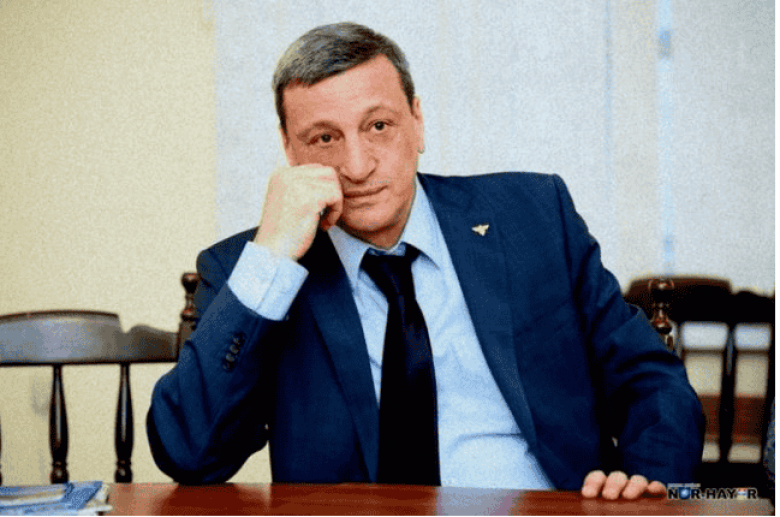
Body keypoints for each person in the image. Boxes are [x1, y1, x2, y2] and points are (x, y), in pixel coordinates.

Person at [147, 22, 704, 499]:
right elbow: (189, 453)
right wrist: (271, 257)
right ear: (290, 150)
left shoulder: (534, 217)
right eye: (324, 139)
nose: (357, 166)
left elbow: (651, 381)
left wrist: (646, 487)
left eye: (378, 126)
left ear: (417, 121)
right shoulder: (253, 270)